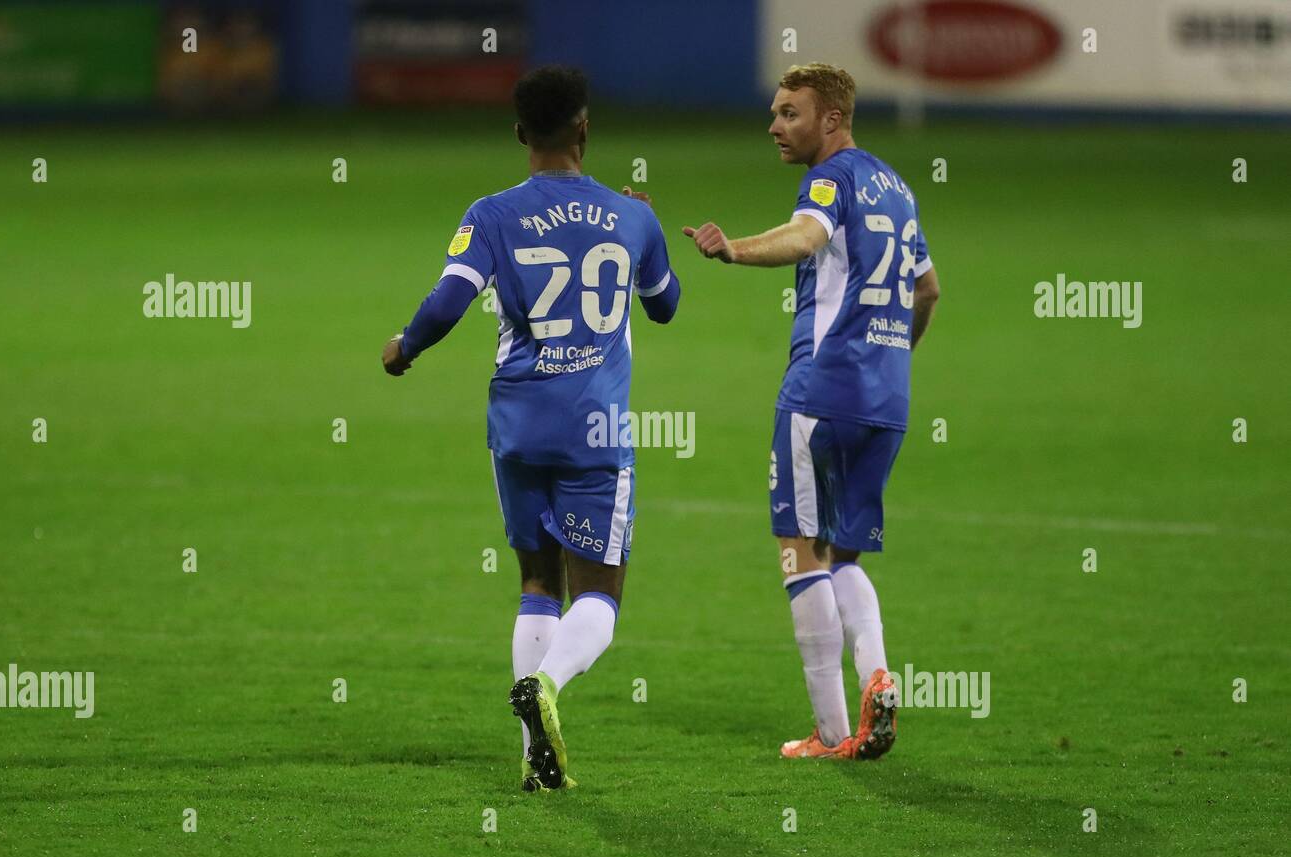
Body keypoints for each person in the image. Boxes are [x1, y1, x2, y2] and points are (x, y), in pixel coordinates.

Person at [382, 66, 681, 789]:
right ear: (585, 129)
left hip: (516, 426)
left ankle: (534, 764)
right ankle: (546, 686)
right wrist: (643, 227)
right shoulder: (631, 216)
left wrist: (405, 347)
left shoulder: (490, 213)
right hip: (596, 432)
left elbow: (450, 299)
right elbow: (666, 304)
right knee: (601, 598)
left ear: (520, 133)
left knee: (535, 582)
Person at [682, 62, 940, 760]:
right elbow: (928, 292)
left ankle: (831, 735)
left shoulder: (828, 181)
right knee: (842, 552)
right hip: (887, 401)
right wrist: (891, 360)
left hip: (820, 395)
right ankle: (879, 675)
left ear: (831, 119)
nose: (774, 125)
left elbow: (805, 236)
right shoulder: (899, 187)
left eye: (789, 113)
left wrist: (733, 249)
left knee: (800, 553)